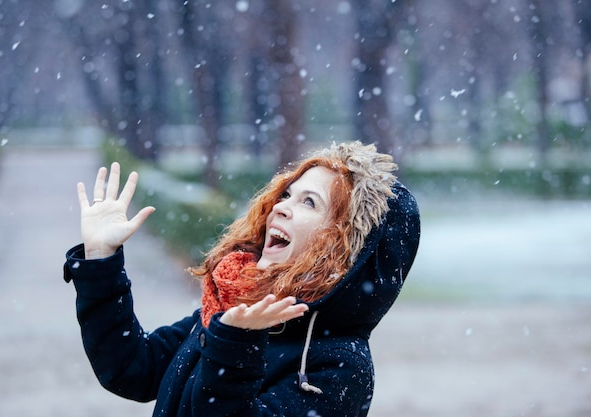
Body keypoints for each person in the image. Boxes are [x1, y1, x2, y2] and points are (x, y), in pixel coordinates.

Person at [63, 141, 420, 417]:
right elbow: (132, 368)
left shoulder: (340, 365)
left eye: (309, 203)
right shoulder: (230, 309)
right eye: (286, 193)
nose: (281, 206)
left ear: (343, 248)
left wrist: (236, 346)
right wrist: (101, 261)